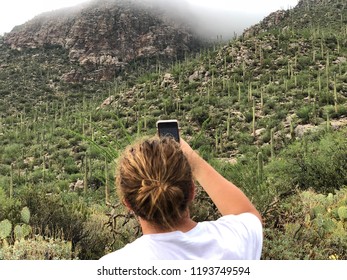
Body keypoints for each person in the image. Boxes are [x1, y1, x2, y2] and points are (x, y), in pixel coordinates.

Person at [101, 135, 263, 260]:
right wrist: (194, 161)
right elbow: (247, 213)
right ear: (192, 190)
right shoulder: (234, 243)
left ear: (128, 204)